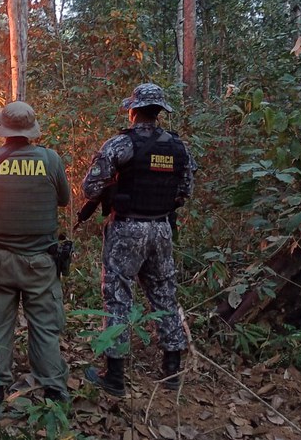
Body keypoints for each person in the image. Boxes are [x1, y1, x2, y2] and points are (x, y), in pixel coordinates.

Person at [82, 82, 196, 396]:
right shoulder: (177, 147)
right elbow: (185, 191)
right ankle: (171, 372)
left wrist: (114, 189)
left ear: (132, 111)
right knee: (165, 295)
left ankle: (115, 376)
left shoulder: (120, 144)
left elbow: (89, 188)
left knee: (118, 297)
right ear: (159, 112)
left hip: (127, 229)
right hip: (161, 229)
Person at [0, 101, 71, 404]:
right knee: (45, 326)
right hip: (40, 262)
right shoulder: (50, 160)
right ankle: (53, 390)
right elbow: (63, 199)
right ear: (31, 130)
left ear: (3, 129)